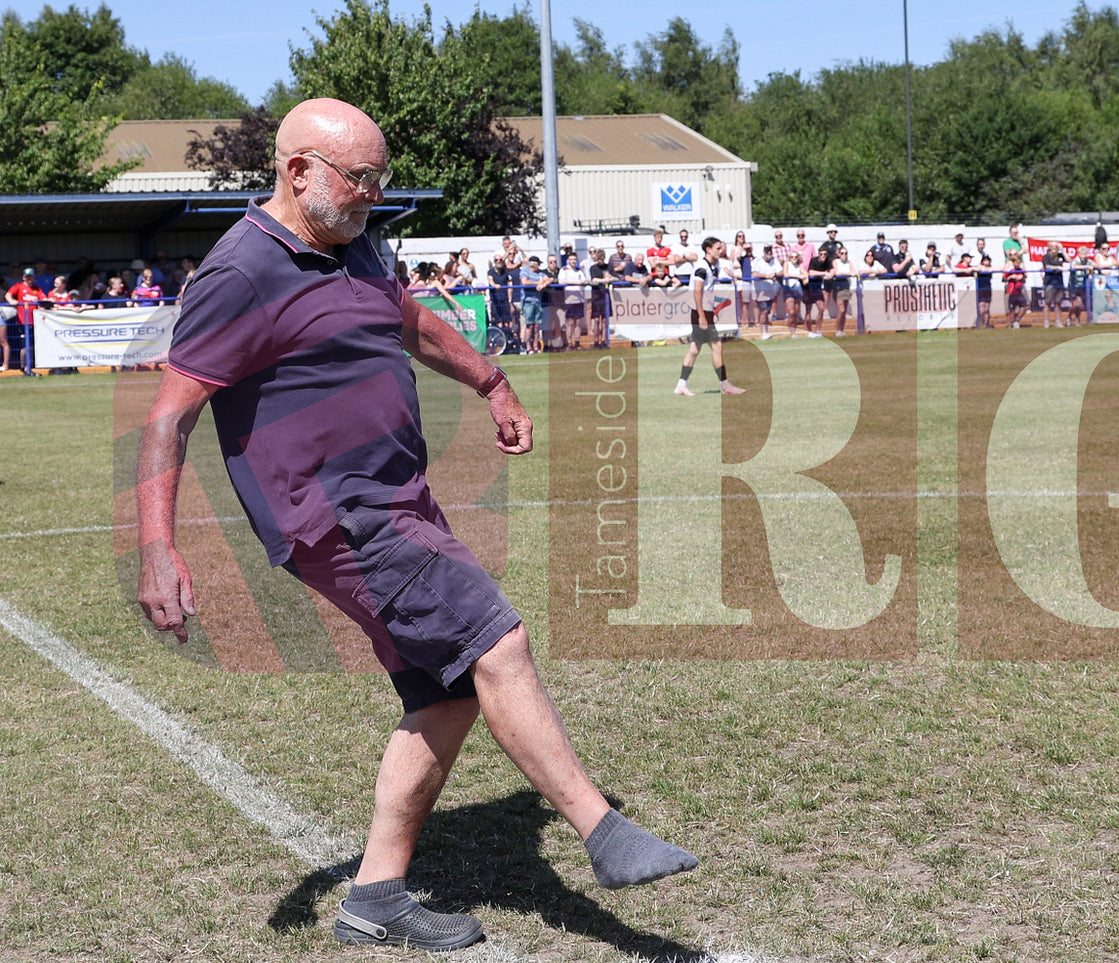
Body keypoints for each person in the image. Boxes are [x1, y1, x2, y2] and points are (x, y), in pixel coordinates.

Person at [135, 99, 697, 953]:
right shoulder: (239, 271)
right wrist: (157, 548)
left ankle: (377, 895)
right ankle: (600, 829)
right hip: (336, 514)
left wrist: (491, 382)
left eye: (378, 177)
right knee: (494, 642)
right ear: (297, 172)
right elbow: (168, 417)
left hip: (396, 496)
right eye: (357, 178)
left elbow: (409, 322)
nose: (372, 194)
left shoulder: (354, 239)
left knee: (446, 691)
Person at [674, 236, 745, 396]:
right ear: (708, 249)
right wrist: (701, 315)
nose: (722, 250)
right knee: (716, 346)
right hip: (701, 312)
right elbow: (697, 291)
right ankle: (725, 385)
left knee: (694, 349)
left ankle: (681, 385)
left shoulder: (714, 265)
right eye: (718, 248)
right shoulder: (702, 268)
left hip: (704, 311)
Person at [4, 266, 44, 372]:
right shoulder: (19, 286)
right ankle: (23, 366)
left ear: (34, 277)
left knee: (31, 345)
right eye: (27, 277)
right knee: (24, 346)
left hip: (35, 321)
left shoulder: (37, 289)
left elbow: (44, 299)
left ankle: (29, 365)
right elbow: (8, 294)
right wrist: (12, 301)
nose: (29, 279)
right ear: (23, 277)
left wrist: (40, 302)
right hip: (22, 321)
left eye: (31, 276)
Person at [829, 245, 857, 334]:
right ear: (839, 254)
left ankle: (842, 330)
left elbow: (854, 272)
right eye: (842, 253)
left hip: (846, 286)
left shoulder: (849, 262)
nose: (844, 255)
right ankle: (837, 330)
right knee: (841, 310)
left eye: (845, 253)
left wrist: (848, 274)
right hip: (838, 286)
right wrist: (848, 273)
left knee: (844, 311)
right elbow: (837, 273)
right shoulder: (835, 261)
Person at [1040, 241, 1065, 328]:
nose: (1054, 248)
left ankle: (1058, 321)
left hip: (1059, 282)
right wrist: (1058, 268)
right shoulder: (1046, 257)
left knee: (1058, 303)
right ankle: (1046, 322)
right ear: (1049, 247)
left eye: (1056, 246)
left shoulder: (1060, 256)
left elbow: (1070, 260)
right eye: (1053, 246)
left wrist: (1063, 250)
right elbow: (1047, 266)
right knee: (1048, 303)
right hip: (1049, 282)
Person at [1003, 253, 1028, 328]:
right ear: (1013, 263)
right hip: (1012, 291)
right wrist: (1010, 277)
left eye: (1019, 262)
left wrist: (1022, 278)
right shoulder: (1010, 270)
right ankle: (1011, 325)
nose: (1017, 264)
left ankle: (1017, 320)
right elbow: (1003, 279)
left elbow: (1024, 280)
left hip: (1019, 291)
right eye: (1016, 262)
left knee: (1025, 307)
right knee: (1012, 309)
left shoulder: (1021, 270)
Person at [975, 254, 994, 329]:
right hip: (981, 289)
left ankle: (986, 324)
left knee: (987, 308)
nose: (986, 262)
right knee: (981, 308)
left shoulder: (990, 269)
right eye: (985, 260)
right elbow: (977, 268)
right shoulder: (979, 268)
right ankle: (980, 323)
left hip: (988, 289)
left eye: (988, 260)